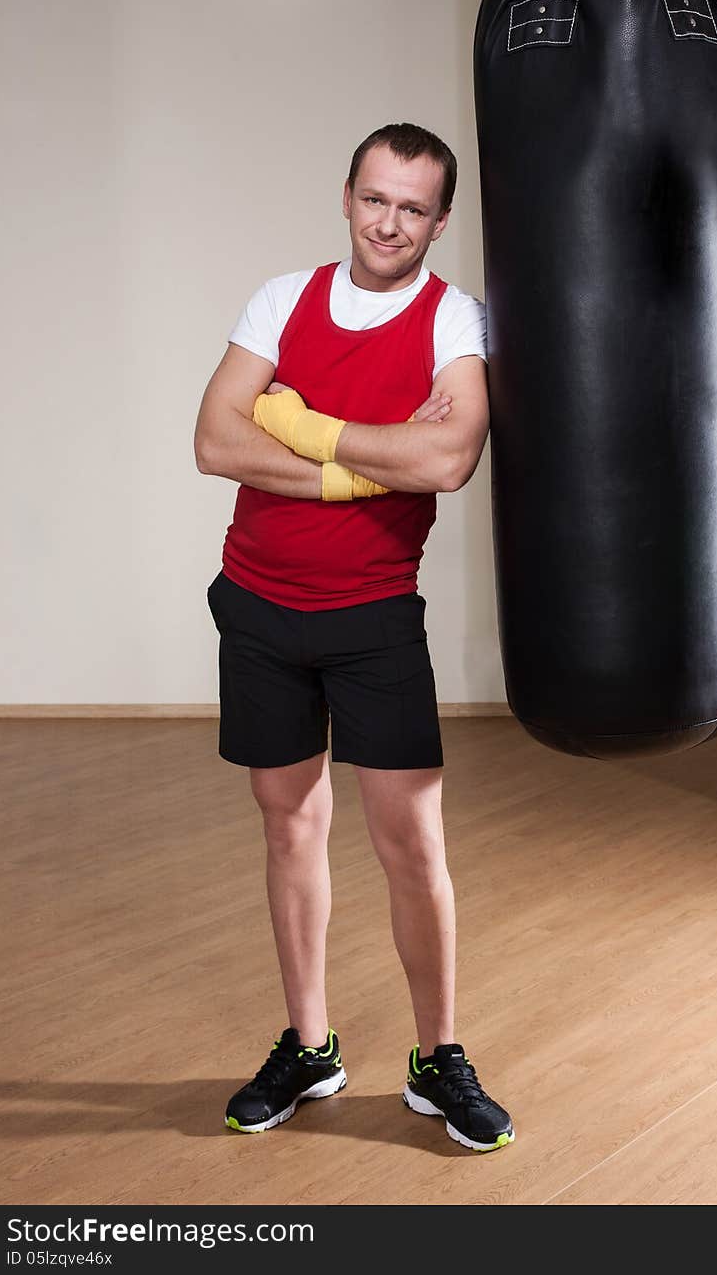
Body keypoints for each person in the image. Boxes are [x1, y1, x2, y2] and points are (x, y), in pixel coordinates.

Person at [193, 122, 514, 1152]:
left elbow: (451, 460)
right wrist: (367, 465)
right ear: (347, 196)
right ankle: (310, 1042)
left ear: (440, 219)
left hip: (374, 616)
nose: (389, 221)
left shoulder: (455, 319)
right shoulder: (280, 299)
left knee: (411, 845)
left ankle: (438, 1057)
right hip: (257, 604)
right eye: (375, 198)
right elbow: (212, 439)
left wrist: (300, 426)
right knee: (289, 829)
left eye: (412, 207)